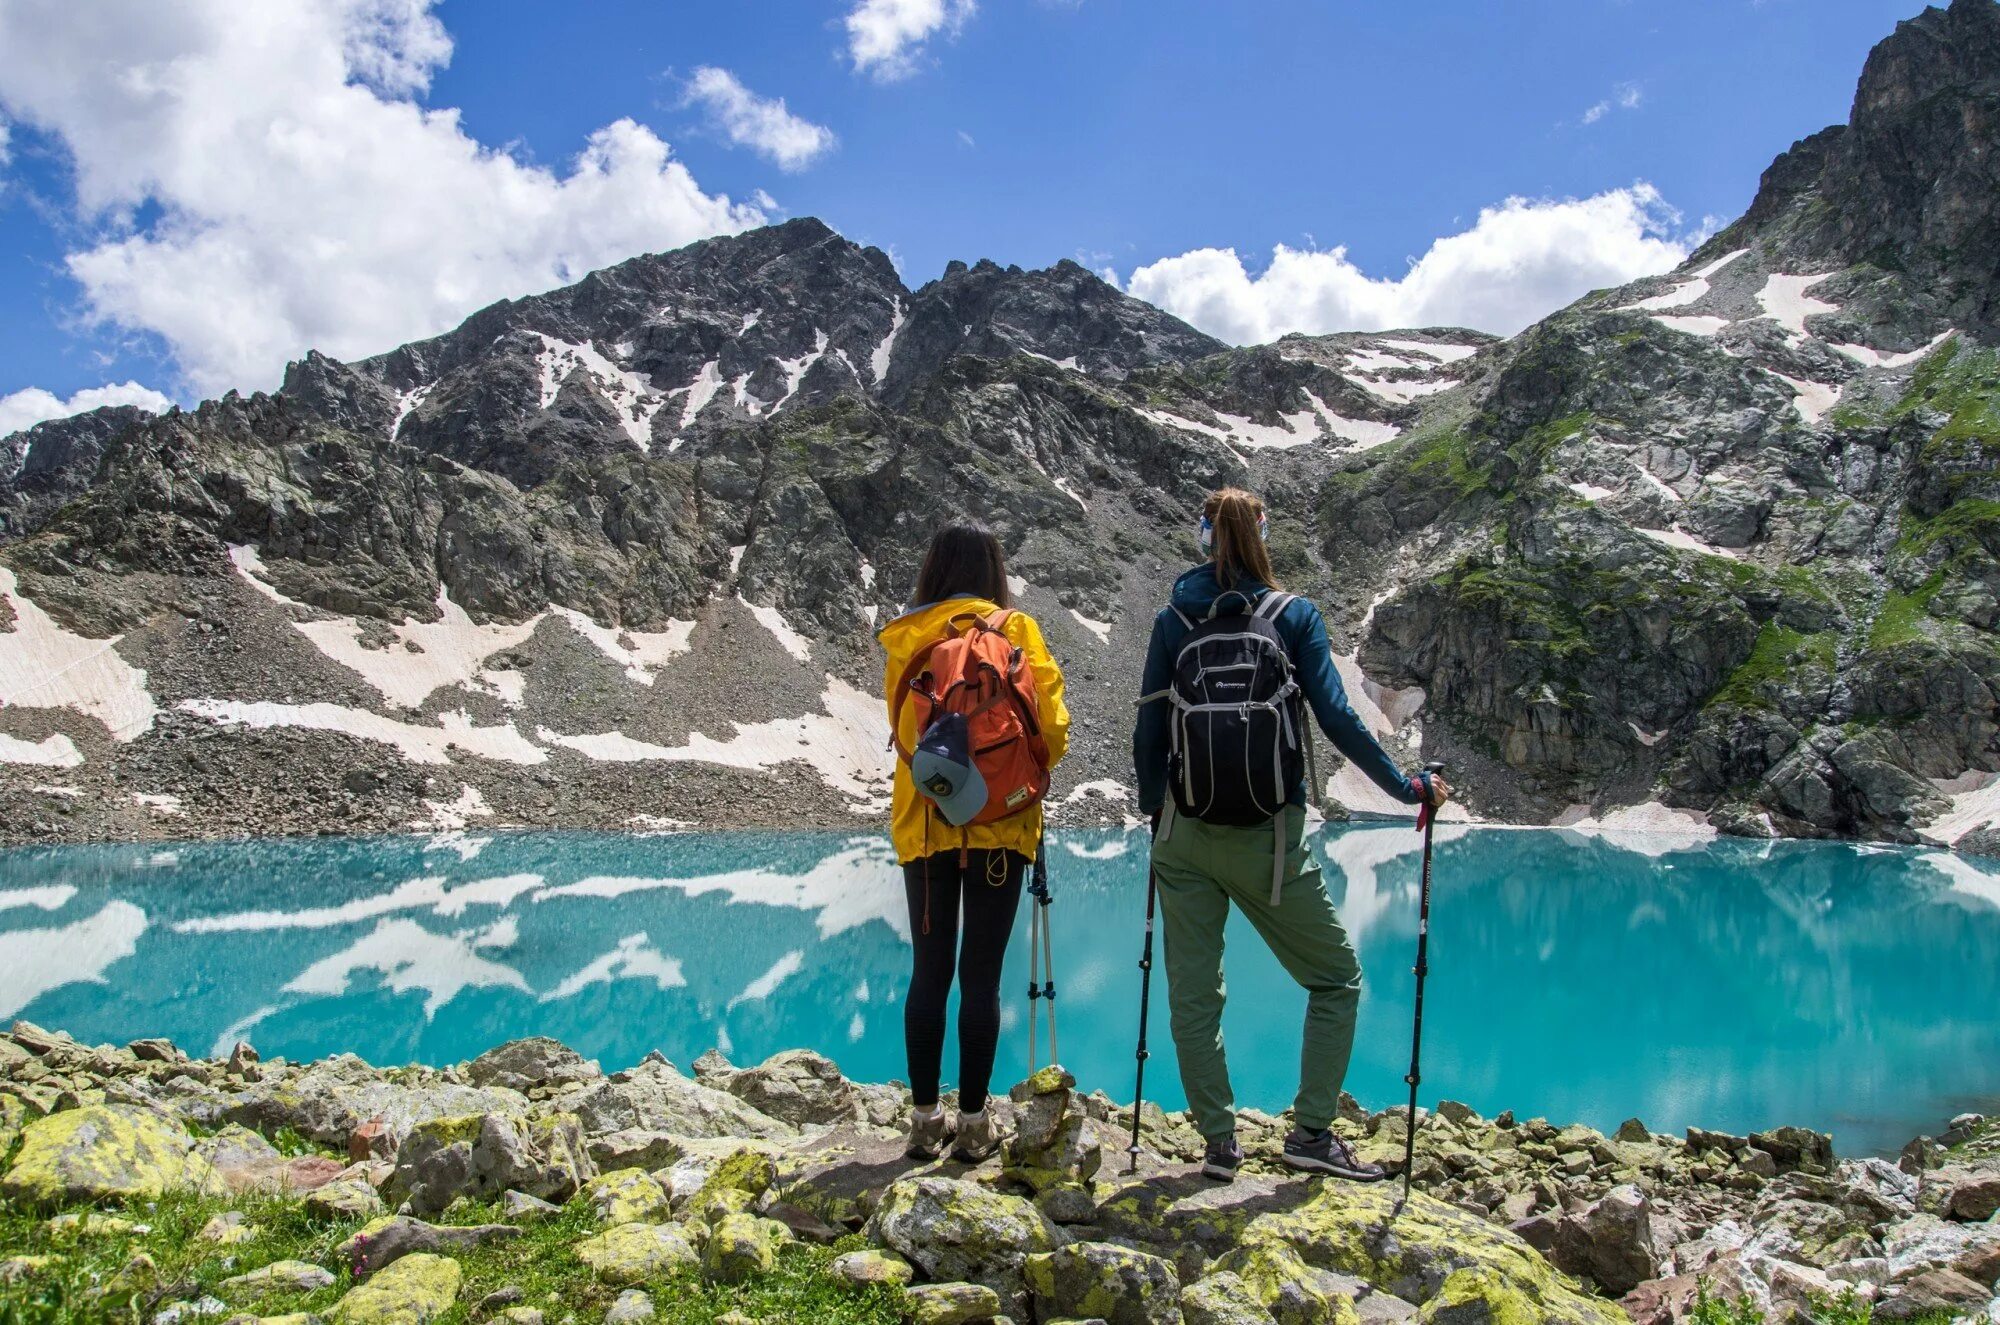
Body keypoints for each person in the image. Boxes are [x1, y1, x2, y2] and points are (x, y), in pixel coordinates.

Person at [1132, 487, 1450, 1183]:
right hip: (1267, 840)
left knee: (1193, 996)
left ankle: (1218, 1145)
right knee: (1335, 978)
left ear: (1203, 534)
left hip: (1184, 835)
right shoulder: (1293, 614)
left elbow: (1149, 732)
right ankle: (1310, 1133)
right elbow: (1336, 719)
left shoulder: (1173, 618)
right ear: (1262, 535)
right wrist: (1407, 788)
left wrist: (1159, 816)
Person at [879, 524, 1070, 1162]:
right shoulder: (1015, 631)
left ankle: (924, 1121)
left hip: (928, 826)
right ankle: (975, 1126)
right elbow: (1055, 730)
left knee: (929, 973)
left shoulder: (907, 637)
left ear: (932, 570)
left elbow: (905, 734)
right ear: (994, 570)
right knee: (981, 977)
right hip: (1002, 828)